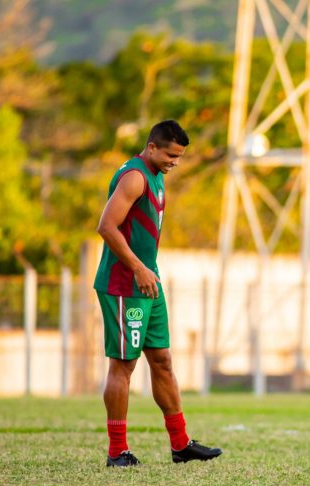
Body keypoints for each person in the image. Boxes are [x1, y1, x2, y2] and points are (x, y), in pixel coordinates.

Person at [94, 120, 222, 467]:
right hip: (124, 284)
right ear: (151, 147)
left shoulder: (158, 177)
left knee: (162, 362)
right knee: (123, 365)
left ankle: (181, 445)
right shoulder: (134, 177)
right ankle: (117, 451)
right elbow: (106, 226)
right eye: (170, 155)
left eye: (179, 157)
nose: (174, 162)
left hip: (148, 283)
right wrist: (137, 267)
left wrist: (146, 271)